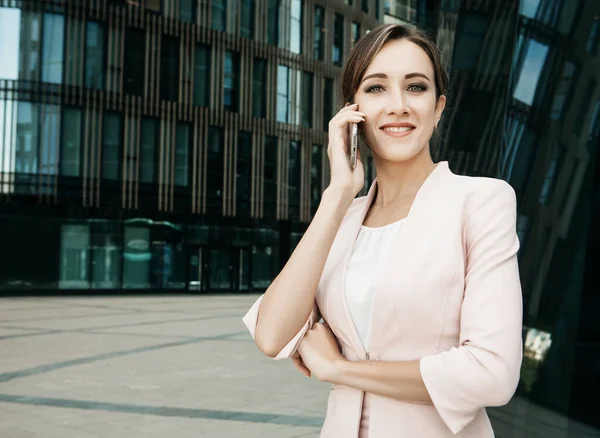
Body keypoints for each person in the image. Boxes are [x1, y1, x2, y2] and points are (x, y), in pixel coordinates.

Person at [243, 23, 523, 438]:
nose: (398, 105)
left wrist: (340, 369)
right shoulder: (342, 218)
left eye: (415, 87)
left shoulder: (480, 201)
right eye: (376, 89)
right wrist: (337, 194)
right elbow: (271, 336)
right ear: (352, 110)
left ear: (439, 106)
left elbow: (492, 373)